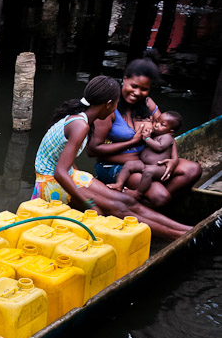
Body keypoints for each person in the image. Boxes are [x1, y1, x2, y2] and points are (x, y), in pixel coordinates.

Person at [32, 75, 191, 239]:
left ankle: (187, 230)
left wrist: (85, 185)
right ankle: (179, 236)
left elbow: (63, 161)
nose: (116, 108)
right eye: (116, 104)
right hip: (49, 183)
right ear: (108, 104)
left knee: (126, 201)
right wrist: (85, 202)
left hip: (69, 174)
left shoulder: (80, 117)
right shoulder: (81, 125)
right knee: (116, 208)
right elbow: (59, 172)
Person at [88, 55, 202, 207]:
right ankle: (151, 204)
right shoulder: (109, 108)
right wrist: (132, 142)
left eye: (144, 89)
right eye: (134, 86)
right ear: (125, 79)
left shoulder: (147, 104)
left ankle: (152, 206)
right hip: (117, 167)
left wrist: (174, 159)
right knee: (160, 196)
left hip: (147, 163)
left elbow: (168, 132)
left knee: (193, 170)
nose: (137, 93)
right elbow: (93, 150)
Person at [108, 110, 182, 195]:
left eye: (162, 125)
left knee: (148, 171)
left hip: (157, 167)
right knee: (129, 164)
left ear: (170, 131)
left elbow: (159, 147)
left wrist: (147, 139)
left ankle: (138, 193)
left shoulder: (167, 137)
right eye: (157, 121)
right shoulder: (155, 133)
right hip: (144, 163)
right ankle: (119, 184)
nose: (156, 125)